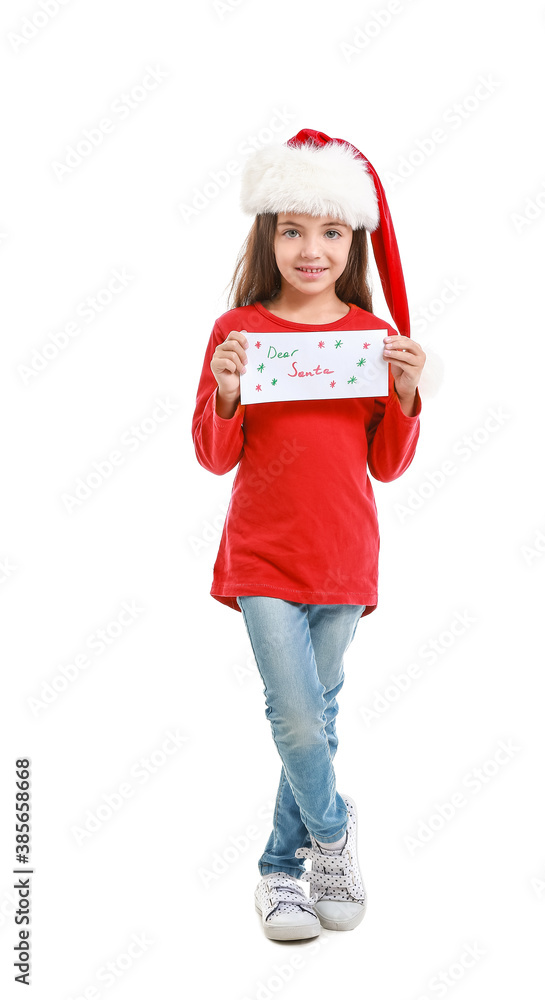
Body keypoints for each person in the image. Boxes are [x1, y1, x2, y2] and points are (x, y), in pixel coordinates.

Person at [191, 129, 426, 941]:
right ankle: (333, 834)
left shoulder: (368, 334)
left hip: (344, 557)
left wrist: (402, 394)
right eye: (291, 230)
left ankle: (279, 872)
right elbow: (213, 455)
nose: (310, 249)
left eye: (328, 231)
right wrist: (224, 390)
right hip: (260, 554)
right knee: (295, 719)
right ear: (267, 237)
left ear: (352, 239)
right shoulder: (239, 328)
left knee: (317, 721)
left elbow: (387, 466)